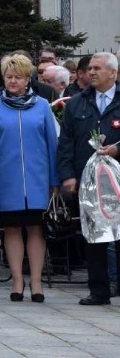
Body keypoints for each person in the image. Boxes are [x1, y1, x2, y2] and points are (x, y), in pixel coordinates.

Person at [0, 55, 57, 302]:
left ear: (28, 80)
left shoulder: (43, 105)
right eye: (9, 77)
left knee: (36, 229)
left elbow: (52, 145)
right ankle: (16, 281)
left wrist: (54, 180)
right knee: (12, 229)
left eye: (18, 77)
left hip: (38, 179)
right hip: (6, 179)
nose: (13, 81)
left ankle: (36, 282)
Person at [58, 52, 120, 305]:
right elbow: (66, 143)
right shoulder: (77, 103)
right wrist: (67, 176)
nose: (91, 72)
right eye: (90, 68)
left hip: (118, 181)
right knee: (94, 236)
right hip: (89, 180)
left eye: (97, 68)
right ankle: (98, 290)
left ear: (113, 73)